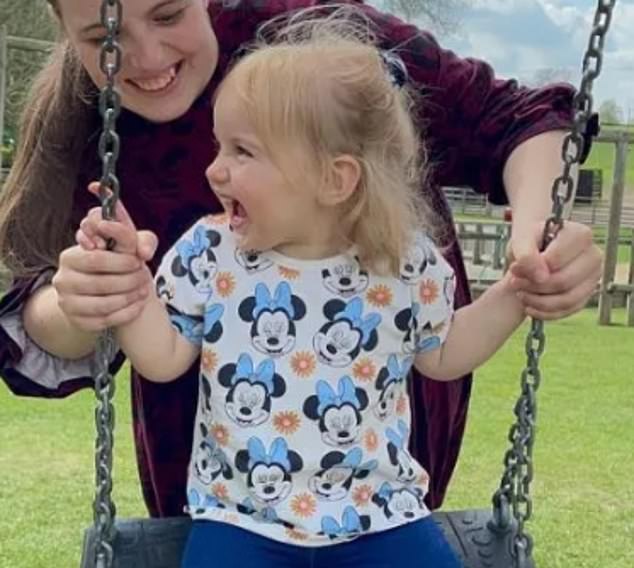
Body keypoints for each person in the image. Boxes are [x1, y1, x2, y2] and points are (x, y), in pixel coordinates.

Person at [0, 0, 602, 525]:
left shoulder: (324, 48)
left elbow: (515, 118)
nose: (147, 55)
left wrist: (535, 252)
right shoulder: (85, 125)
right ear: (64, 28)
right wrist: (93, 295)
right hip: (221, 483)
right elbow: (32, 313)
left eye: (168, 13)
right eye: (104, 39)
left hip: (378, 473)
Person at [74, 15, 529, 566]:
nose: (215, 171)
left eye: (242, 152)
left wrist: (514, 294)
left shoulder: (401, 263)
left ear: (334, 178)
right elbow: (163, 357)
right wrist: (129, 285)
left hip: (379, 515)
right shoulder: (212, 253)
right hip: (240, 519)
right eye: (219, 148)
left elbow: (445, 352)